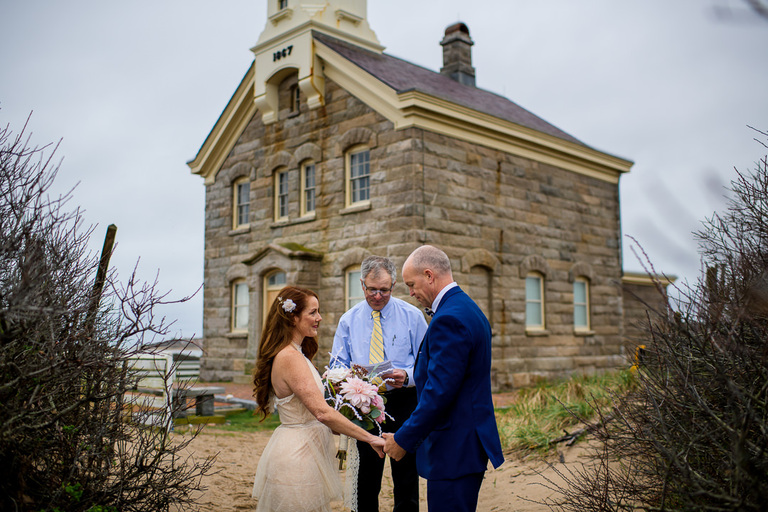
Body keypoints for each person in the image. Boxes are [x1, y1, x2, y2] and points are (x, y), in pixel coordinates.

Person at [382, 245, 504, 512]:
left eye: (411, 285)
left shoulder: (450, 319)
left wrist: (402, 440)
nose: (411, 293)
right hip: (463, 446)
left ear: (429, 275)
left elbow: (439, 394)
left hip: (454, 450)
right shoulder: (466, 308)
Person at [251, 286, 386, 512]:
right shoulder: (290, 357)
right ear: (293, 317)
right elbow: (321, 412)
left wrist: (349, 412)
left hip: (308, 452)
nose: (319, 318)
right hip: (298, 457)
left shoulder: (297, 353)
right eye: (313, 312)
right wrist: (369, 438)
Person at [331, 256, 428, 512]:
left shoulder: (413, 316)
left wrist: (407, 375)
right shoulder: (348, 321)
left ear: (393, 285)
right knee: (367, 477)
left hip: (404, 402)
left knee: (406, 475)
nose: (377, 295)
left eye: (384, 290)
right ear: (362, 285)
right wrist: (349, 378)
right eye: (372, 289)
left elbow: (428, 364)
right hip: (365, 407)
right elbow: (336, 367)